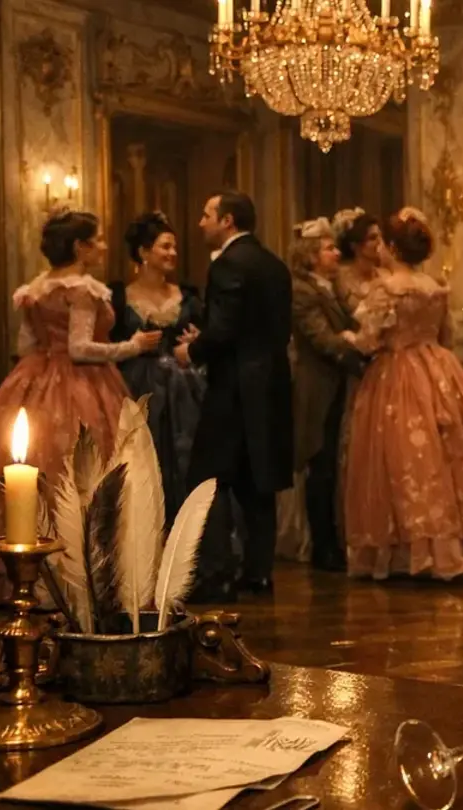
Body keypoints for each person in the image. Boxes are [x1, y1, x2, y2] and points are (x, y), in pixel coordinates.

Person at [0, 210, 159, 602]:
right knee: (82, 469)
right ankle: (77, 581)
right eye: (97, 240)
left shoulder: (36, 288)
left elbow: (25, 345)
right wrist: (132, 346)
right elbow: (80, 348)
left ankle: (27, 577)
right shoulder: (82, 289)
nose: (103, 246)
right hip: (83, 384)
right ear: (80, 247)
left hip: (33, 376)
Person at [341, 209, 463, 579]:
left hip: (397, 374)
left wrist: (348, 338)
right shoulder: (435, 286)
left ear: (392, 248)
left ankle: (413, 548)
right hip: (440, 369)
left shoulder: (387, 288)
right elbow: (447, 336)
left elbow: (369, 340)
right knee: (444, 457)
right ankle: (459, 542)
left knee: (404, 461)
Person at [177, 191, 293, 602]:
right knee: (257, 482)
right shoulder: (274, 264)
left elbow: (225, 330)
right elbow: (262, 328)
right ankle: (259, 573)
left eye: (207, 215)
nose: (200, 222)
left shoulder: (228, 263)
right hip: (271, 386)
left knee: (207, 478)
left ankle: (216, 574)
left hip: (234, 390)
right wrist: (210, 335)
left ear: (227, 221)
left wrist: (191, 350)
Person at [110, 211, 206, 523]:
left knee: (187, 458)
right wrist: (132, 345)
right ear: (143, 251)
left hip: (184, 390)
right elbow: (107, 342)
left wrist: (197, 340)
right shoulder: (120, 297)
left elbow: (206, 337)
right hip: (136, 387)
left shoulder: (187, 296)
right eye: (165, 246)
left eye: (174, 247)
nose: (173, 253)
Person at [288, 217, 362, 572]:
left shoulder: (329, 286)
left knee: (333, 463)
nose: (336, 253)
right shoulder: (302, 290)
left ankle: (334, 539)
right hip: (317, 384)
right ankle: (323, 546)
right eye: (329, 248)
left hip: (336, 380)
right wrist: (357, 345)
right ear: (311, 255)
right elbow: (321, 338)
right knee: (321, 461)